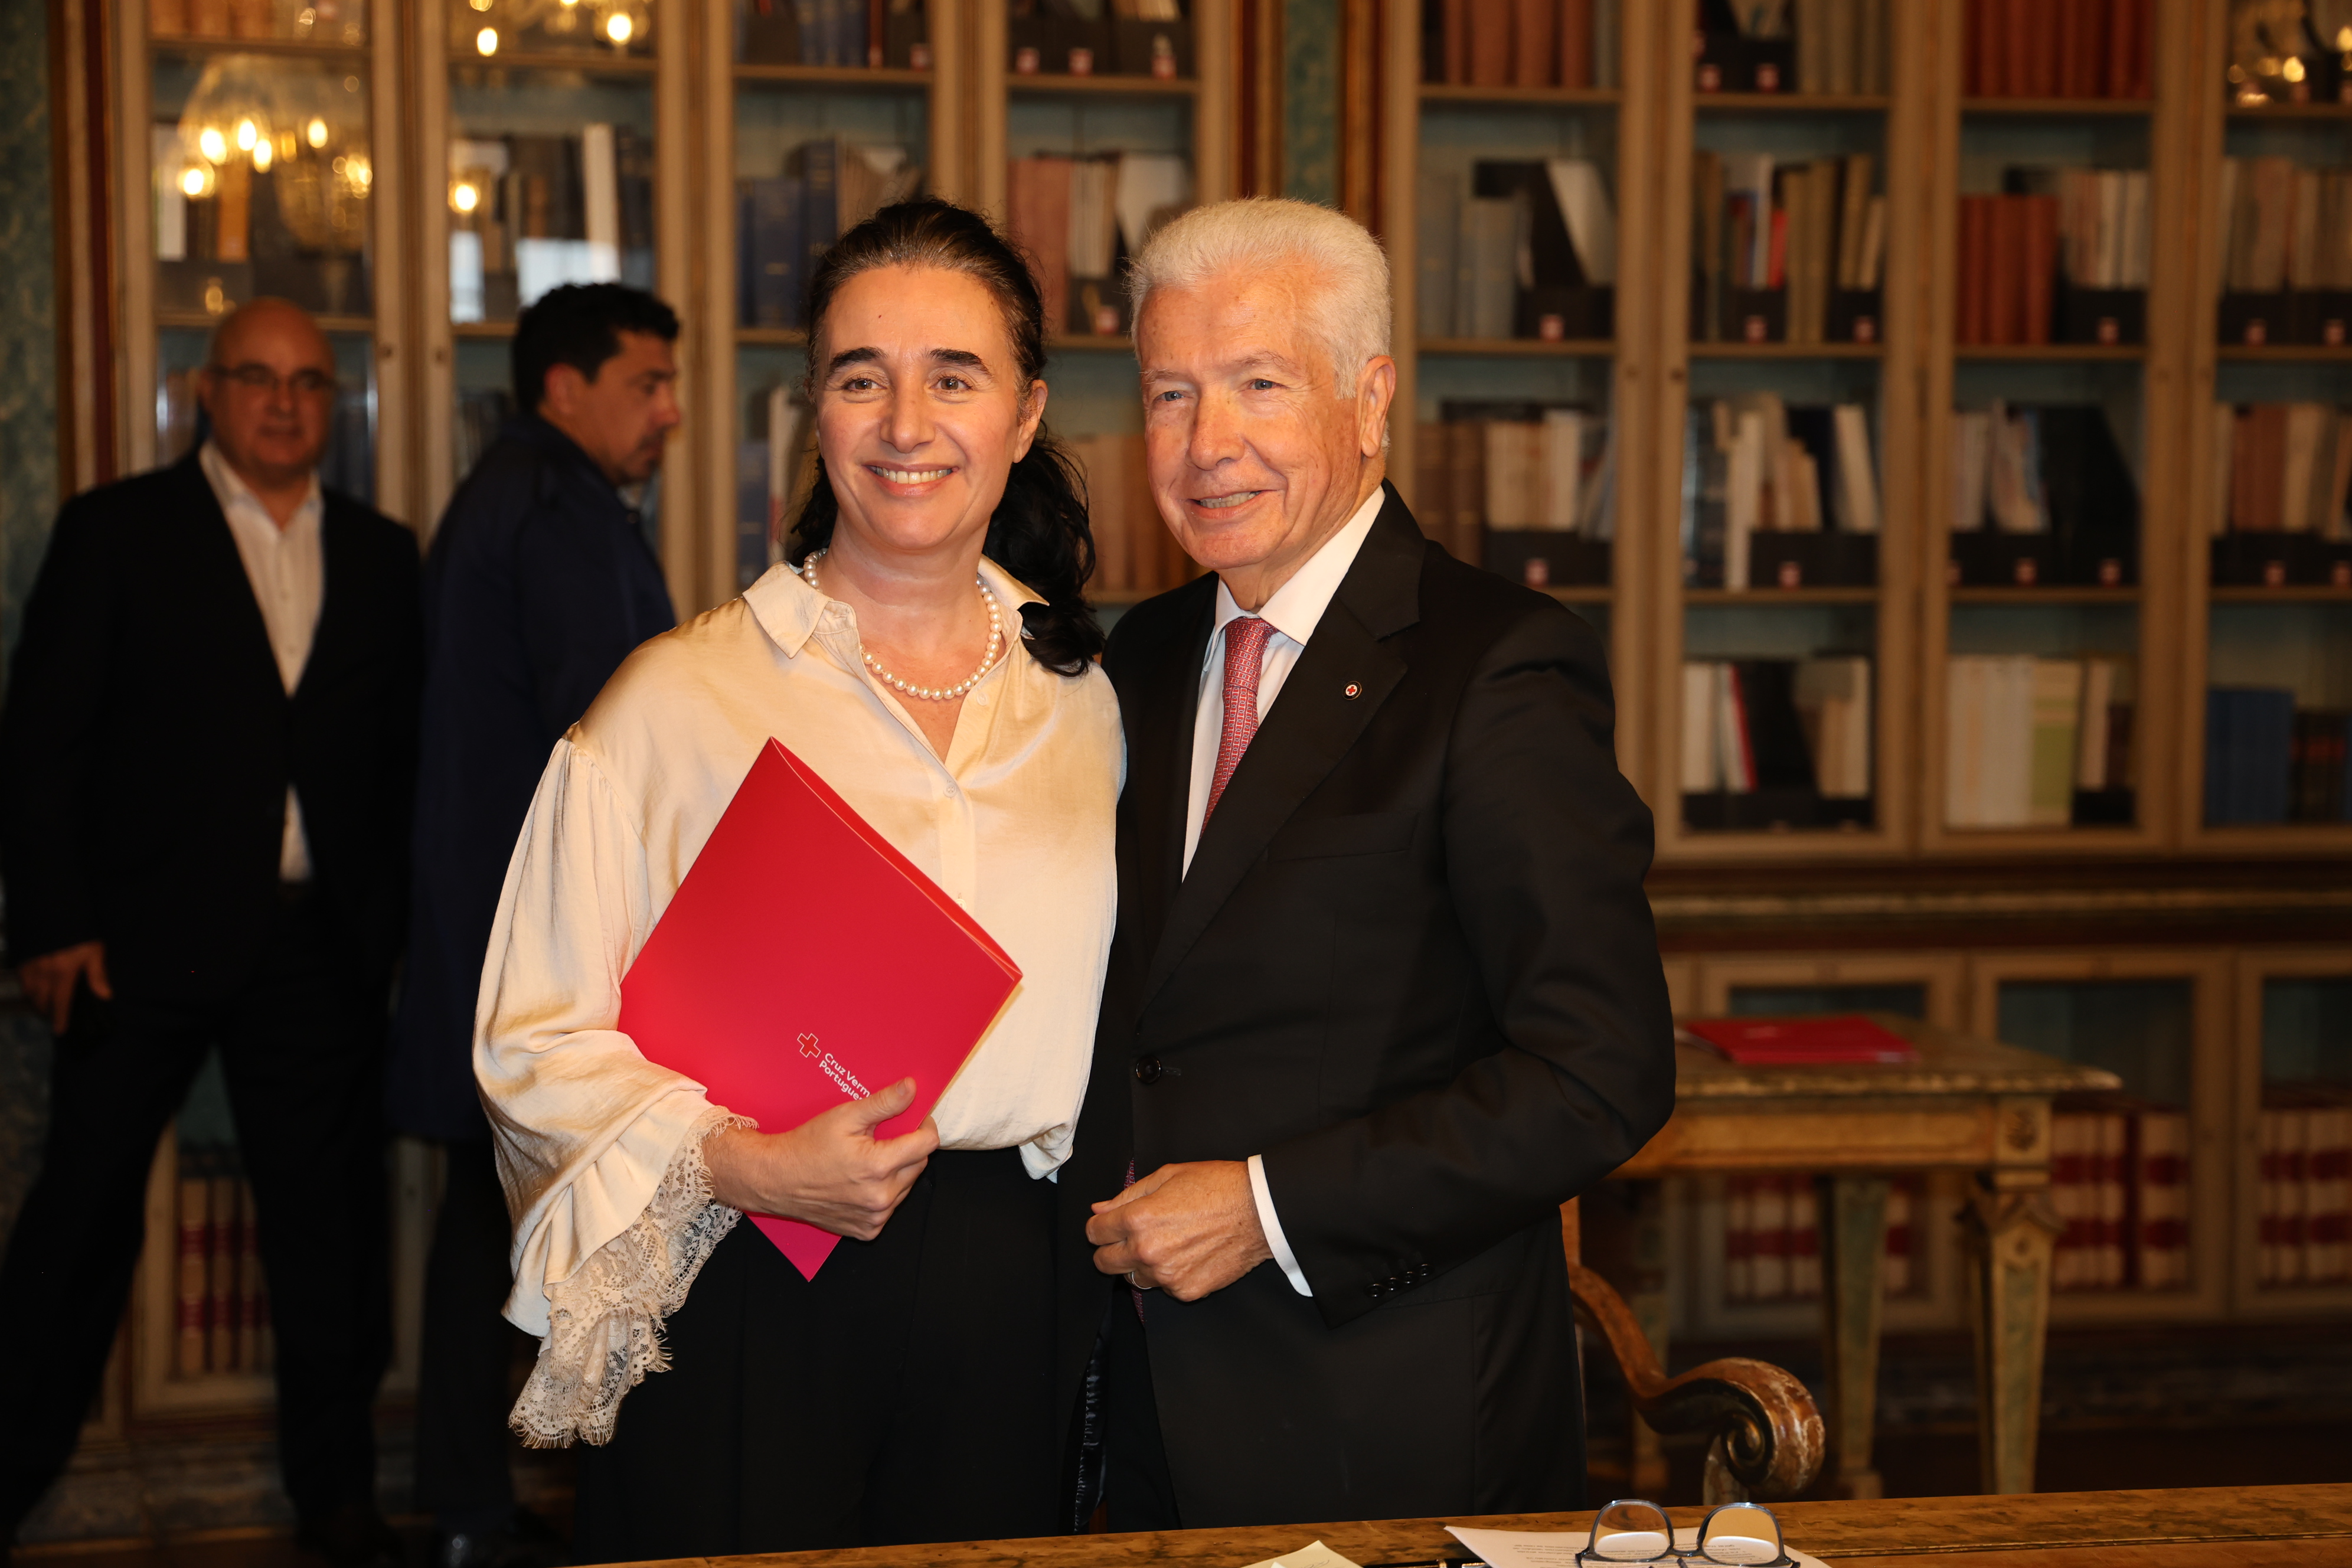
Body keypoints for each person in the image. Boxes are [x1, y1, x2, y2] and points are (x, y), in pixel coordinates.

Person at [473, 199, 1119, 1560]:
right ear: (813, 411)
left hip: (1018, 1280)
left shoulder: (1094, 704)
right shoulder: (676, 700)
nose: (906, 422)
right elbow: (530, 1040)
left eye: (956, 377)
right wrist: (741, 1161)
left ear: (1025, 413)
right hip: (752, 1270)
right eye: (860, 376)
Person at [1063, 198, 1677, 1529]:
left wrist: (1269, 1207)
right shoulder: (1142, 657)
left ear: (1371, 399)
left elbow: (1601, 1070)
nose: (1207, 443)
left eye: (1259, 384)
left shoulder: (1496, 665)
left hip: (1386, 1420)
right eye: (1170, 394)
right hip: (1137, 1411)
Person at [0, 299, 422, 1566]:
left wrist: (392, 928)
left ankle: (337, 1503)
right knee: (80, 1220)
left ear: (333, 400)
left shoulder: (383, 553)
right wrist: (54, 923)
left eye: (307, 382)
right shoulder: (118, 531)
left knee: (329, 1235)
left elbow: (401, 760)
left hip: (316, 950)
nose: (284, 403)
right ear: (206, 390)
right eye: (257, 377)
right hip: (140, 944)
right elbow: (41, 742)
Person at [386, 282, 681, 1568]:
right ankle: (488, 1509)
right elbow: (623, 732)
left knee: (481, 1226)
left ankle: (470, 1506)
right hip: (545, 942)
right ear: (565, 388)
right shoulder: (556, 508)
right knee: (514, 1228)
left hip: (488, 930)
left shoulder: (515, 490)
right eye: (646, 384)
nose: (671, 411)